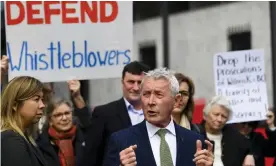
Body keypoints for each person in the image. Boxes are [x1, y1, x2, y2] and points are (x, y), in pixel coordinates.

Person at [103, 68, 214, 166]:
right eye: (146, 94)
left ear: (176, 100)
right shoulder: (121, 141)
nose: (150, 102)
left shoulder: (195, 141)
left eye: (158, 94)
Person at [83, 61, 150, 166]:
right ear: (122, 82)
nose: (136, 87)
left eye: (140, 82)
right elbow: (91, 158)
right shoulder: (104, 114)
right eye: (131, 82)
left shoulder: (157, 113)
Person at [36, 80, 91, 166]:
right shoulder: (41, 144)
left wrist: (77, 96)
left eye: (67, 113)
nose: (64, 118)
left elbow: (85, 117)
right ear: (50, 120)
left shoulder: (83, 136)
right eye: (58, 115)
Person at [1, 76, 49, 166]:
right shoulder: (10, 140)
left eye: (42, 99)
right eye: (36, 99)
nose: (42, 105)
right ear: (15, 105)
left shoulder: (24, 137)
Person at [197, 95, 255, 166]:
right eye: (216, 114)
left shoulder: (234, 135)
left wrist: (250, 155)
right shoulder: (196, 132)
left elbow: (249, 146)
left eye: (224, 116)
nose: (219, 119)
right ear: (205, 115)